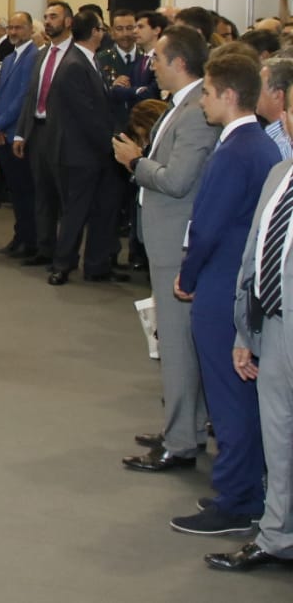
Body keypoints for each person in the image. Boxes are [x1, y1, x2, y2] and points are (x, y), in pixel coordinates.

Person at [165, 53, 281, 535]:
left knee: (227, 396)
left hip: (221, 285)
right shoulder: (260, 147)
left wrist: (187, 277)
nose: (204, 102)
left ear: (229, 95)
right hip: (245, 282)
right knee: (242, 396)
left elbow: (207, 225)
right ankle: (247, 488)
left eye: (208, 93)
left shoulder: (234, 151)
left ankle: (236, 499)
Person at [113, 25, 220, 472]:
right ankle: (185, 428)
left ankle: (180, 443)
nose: (150, 64)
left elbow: (177, 181)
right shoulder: (184, 106)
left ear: (178, 62)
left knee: (175, 345)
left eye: (156, 58)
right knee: (176, 343)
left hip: (176, 240)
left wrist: (136, 162)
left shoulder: (196, 111)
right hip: (167, 238)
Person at [208, 129, 293, 572]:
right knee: (278, 437)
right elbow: (256, 254)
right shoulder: (280, 173)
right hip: (274, 328)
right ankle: (277, 535)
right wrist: (245, 331)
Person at [43, 10, 120, 284]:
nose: (105, 32)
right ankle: (62, 264)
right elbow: (87, 114)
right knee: (76, 211)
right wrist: (112, 144)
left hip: (90, 151)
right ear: (95, 32)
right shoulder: (76, 64)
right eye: (102, 28)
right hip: (78, 153)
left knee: (100, 208)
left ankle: (96, 264)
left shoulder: (88, 60)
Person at [12, 1, 74, 266]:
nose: (48, 22)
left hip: (62, 133)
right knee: (42, 193)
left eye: (54, 17)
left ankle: (65, 253)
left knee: (64, 197)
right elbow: (31, 96)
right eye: (46, 17)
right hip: (37, 131)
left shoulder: (76, 55)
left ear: (68, 21)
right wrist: (20, 133)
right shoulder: (43, 53)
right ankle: (44, 248)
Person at [0, 12, 38, 256]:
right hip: (2, 132)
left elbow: (24, 97)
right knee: (16, 192)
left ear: (30, 29)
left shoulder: (33, 56)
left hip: (19, 132)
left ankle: (30, 240)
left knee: (26, 191)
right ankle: (20, 236)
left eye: (19, 28)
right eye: (11, 28)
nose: (14, 32)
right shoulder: (8, 58)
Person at [262, 58, 293, 161]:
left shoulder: (277, 148)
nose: (254, 93)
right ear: (284, 119)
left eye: (259, 88)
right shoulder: (279, 171)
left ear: (277, 95)